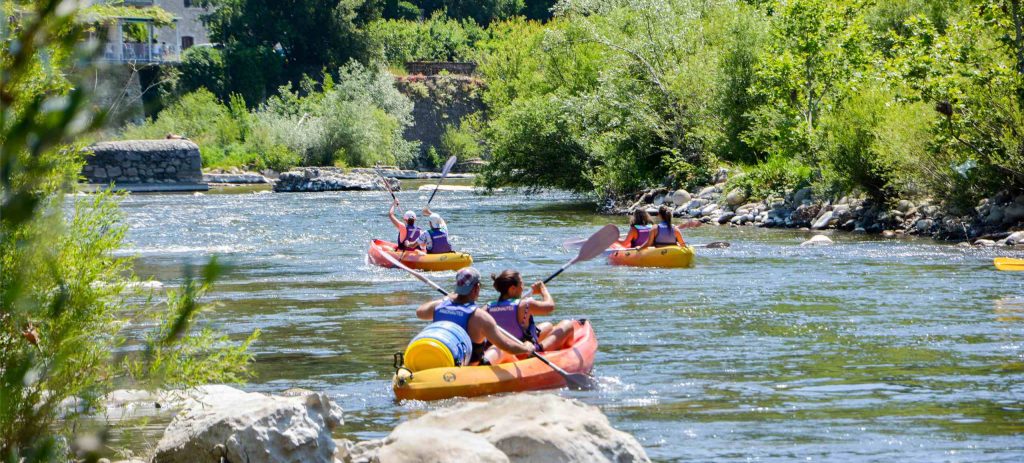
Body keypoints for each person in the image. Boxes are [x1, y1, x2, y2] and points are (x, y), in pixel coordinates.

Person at [415, 268, 535, 366]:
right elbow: (507, 347)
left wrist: (445, 299)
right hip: (470, 367)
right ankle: (519, 368)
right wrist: (525, 347)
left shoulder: (439, 306)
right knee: (497, 348)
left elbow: (420, 312)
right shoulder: (480, 317)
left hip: (443, 358)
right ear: (477, 288)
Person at [483, 270, 575, 365]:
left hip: (500, 348)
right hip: (524, 352)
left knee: (548, 326)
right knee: (567, 324)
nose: (523, 288)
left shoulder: (487, 308)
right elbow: (550, 306)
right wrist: (543, 290)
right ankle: (565, 352)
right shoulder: (525, 305)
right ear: (512, 289)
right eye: (521, 284)